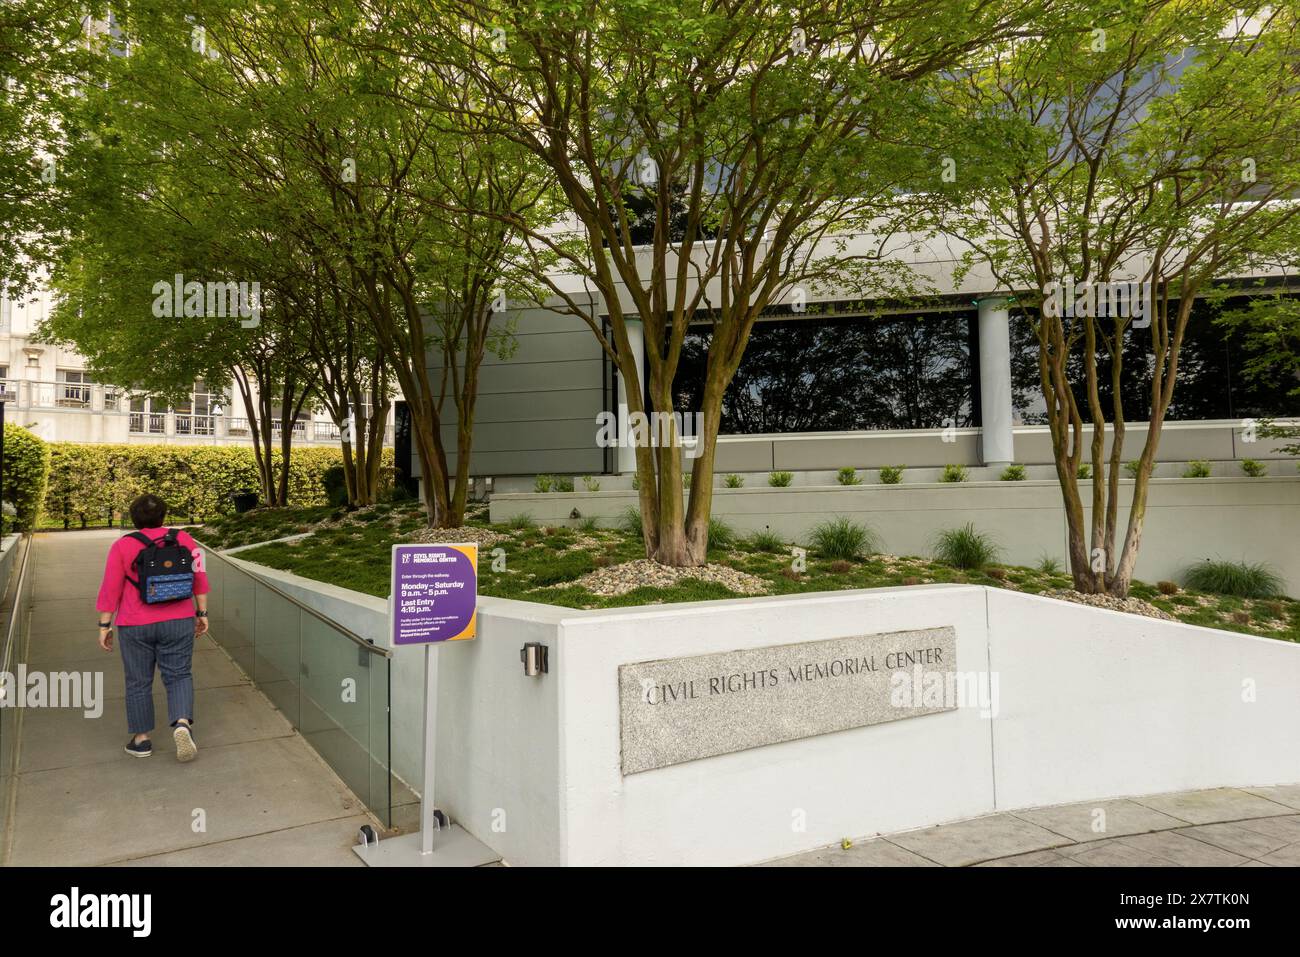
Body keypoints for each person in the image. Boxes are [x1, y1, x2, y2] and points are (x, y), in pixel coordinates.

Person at [96, 494, 210, 761]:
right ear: (164, 515)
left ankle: (141, 740)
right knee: (179, 675)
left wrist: (104, 625)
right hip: (178, 619)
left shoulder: (122, 546)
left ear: (134, 519)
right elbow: (200, 577)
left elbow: (110, 588)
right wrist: (202, 612)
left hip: (135, 624)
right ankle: (182, 724)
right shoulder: (185, 539)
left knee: (138, 680)